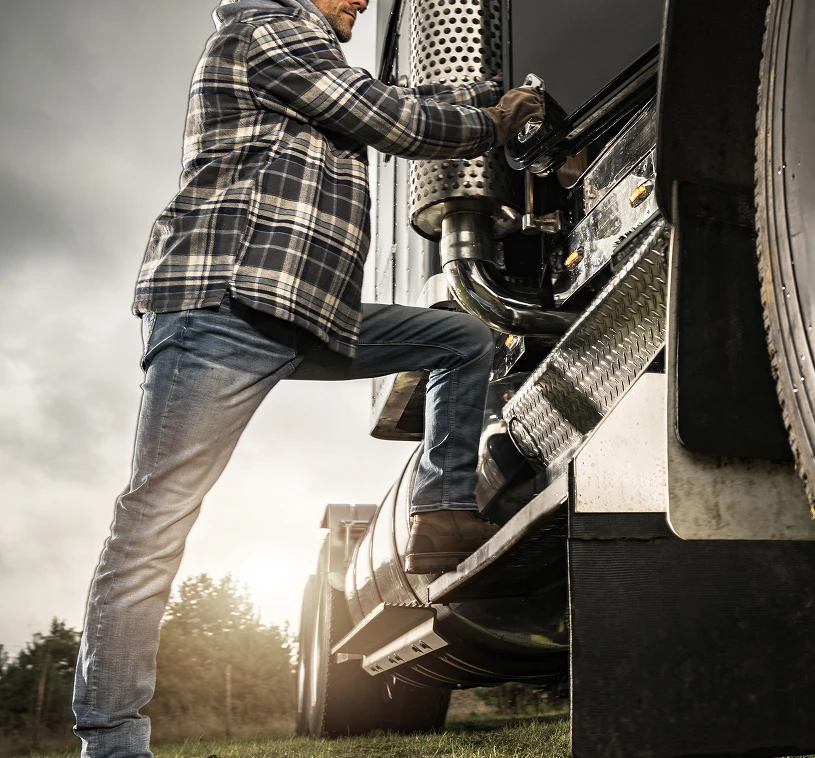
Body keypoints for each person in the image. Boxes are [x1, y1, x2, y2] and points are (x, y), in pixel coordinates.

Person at [70, 0, 542, 754]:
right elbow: (391, 118)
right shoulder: (267, 27)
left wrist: (481, 94)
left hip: (303, 310)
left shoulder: (313, 52)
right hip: (221, 307)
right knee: (153, 524)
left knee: (459, 337)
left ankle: (444, 510)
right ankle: (111, 739)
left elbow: (411, 100)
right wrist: (490, 122)